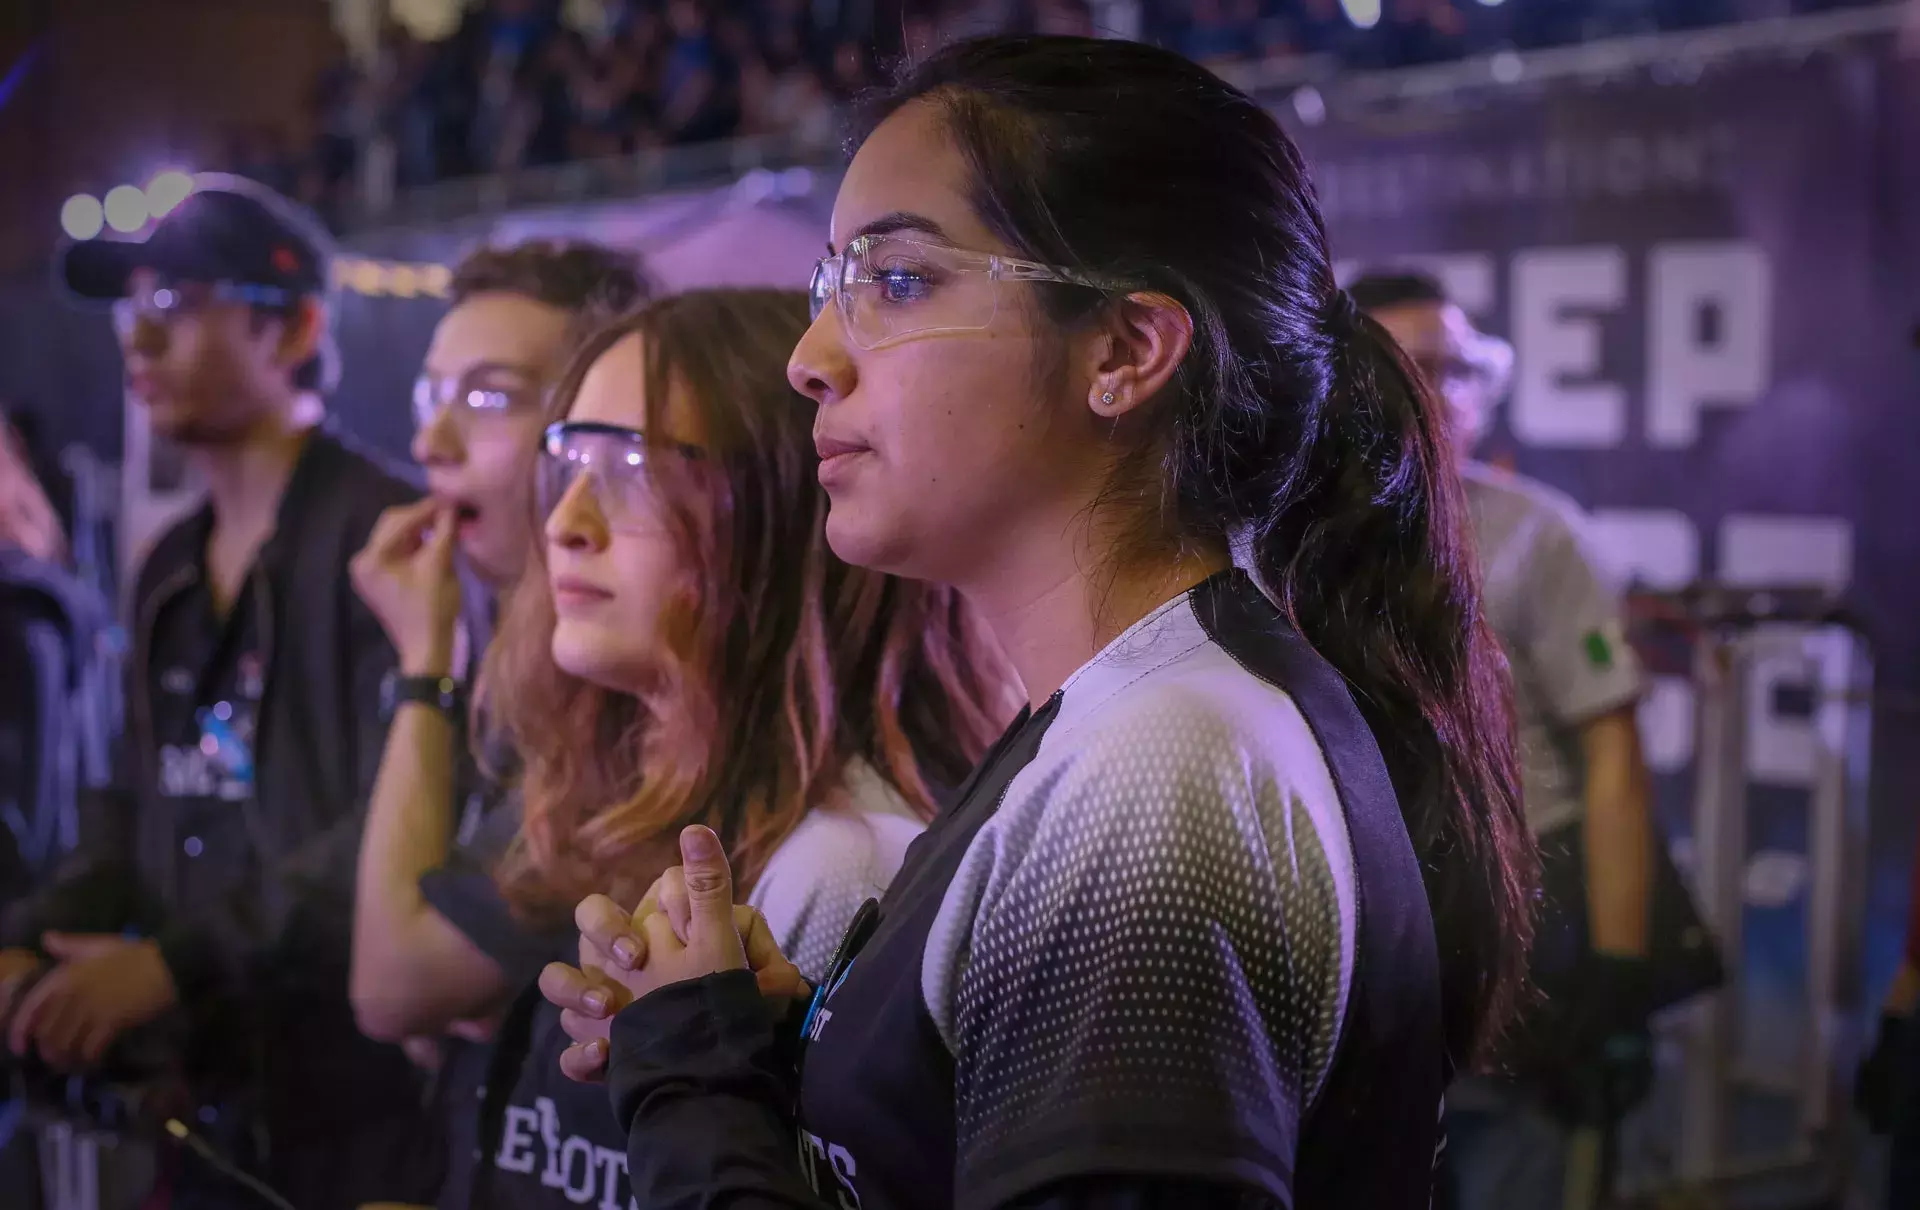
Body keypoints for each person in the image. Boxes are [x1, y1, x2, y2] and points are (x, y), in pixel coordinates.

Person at [540, 35, 1536, 1210]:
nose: (813, 360)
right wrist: (785, 1054)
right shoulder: (1119, 723)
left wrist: (695, 1089)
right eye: (830, 290)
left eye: (898, 281)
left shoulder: (1163, 774)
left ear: (1123, 350)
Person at [354, 288, 1014, 1210]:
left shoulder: (834, 868)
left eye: (630, 469)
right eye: (567, 462)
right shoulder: (620, 784)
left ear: (778, 509)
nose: (565, 522)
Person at [0, 173, 436, 1209]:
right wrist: (27, 941)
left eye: (177, 304)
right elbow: (128, 812)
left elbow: (393, 830)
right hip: (201, 1100)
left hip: (359, 1108)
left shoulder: (389, 538)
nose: (137, 341)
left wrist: (169, 965)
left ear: (291, 328)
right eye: (131, 306)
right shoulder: (167, 568)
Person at [346, 240, 649, 1209]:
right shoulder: (524, 677)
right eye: (429, 397)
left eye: (484, 398)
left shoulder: (623, 698)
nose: (431, 443)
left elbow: (392, 983)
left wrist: (421, 665)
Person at [1350, 268, 1657, 1208]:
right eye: (1408, 369)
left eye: (1456, 370)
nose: (1438, 395)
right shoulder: (1293, 536)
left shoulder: (1536, 538)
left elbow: (1611, 757)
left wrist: (1619, 972)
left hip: (1524, 934)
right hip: (1371, 947)